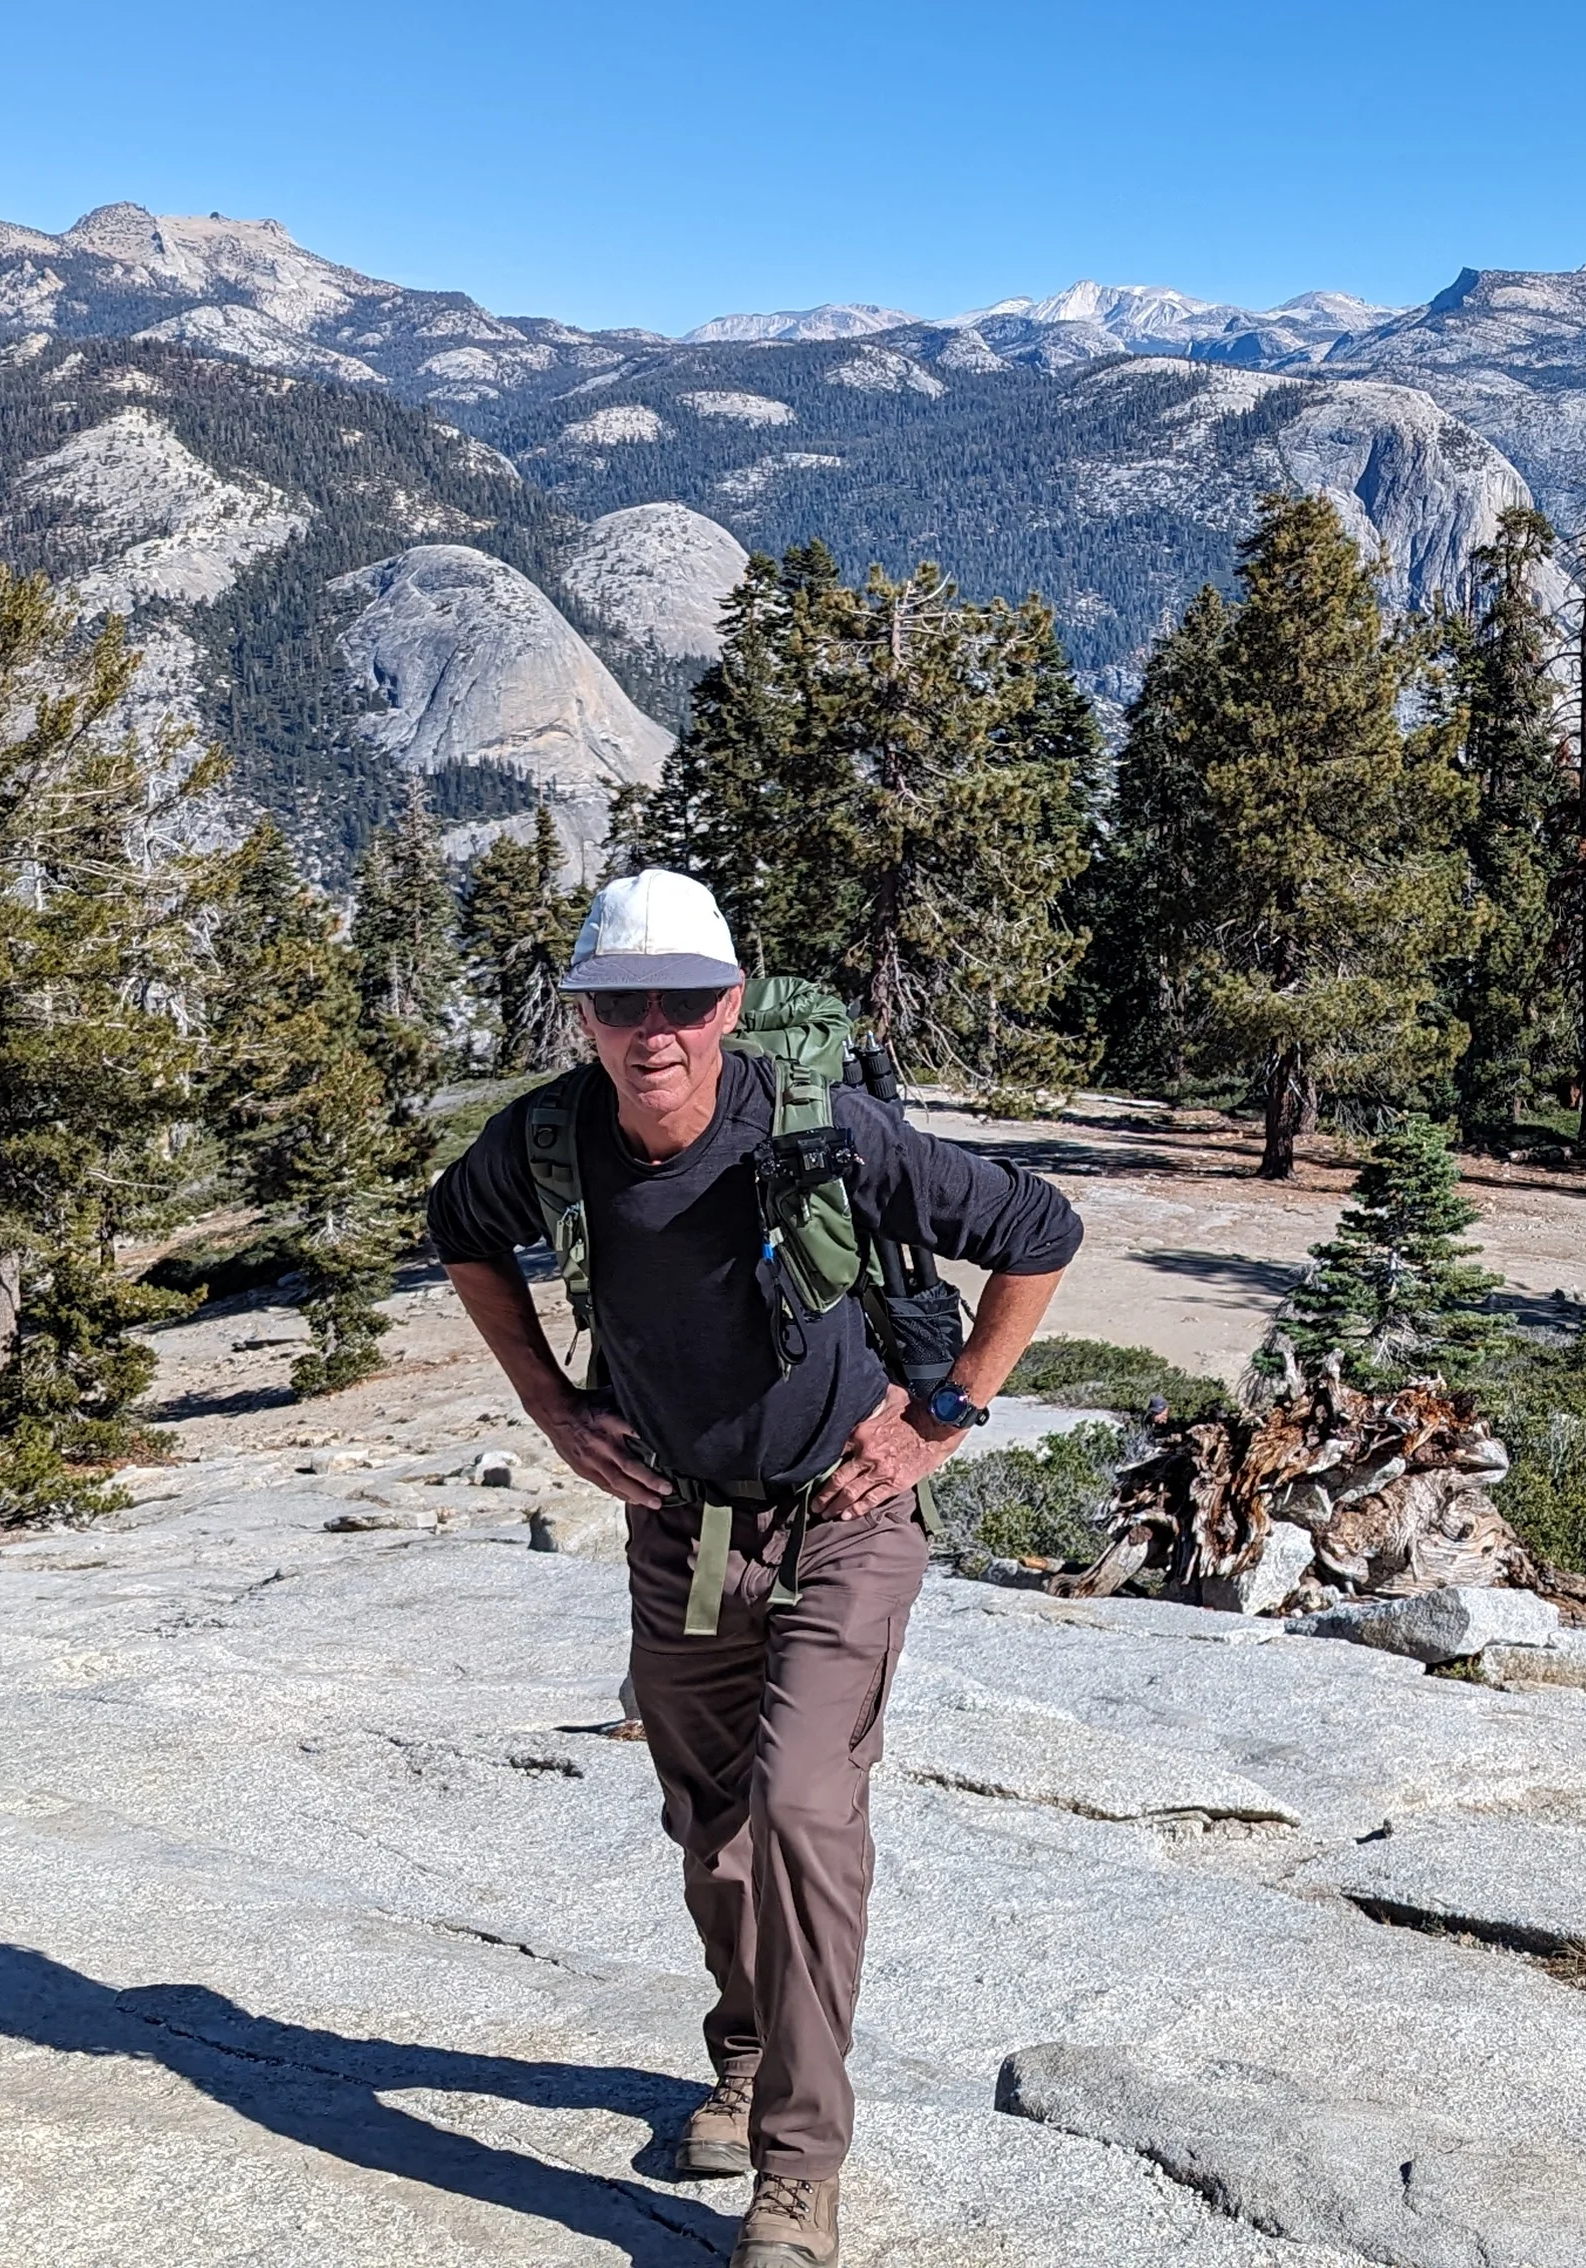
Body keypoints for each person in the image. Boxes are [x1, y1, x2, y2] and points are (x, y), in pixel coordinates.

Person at [430, 868, 1079, 2268]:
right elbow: (460, 1232)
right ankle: (741, 2058)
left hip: (842, 1519)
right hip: (679, 1530)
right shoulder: (545, 1141)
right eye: (618, 1003)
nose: (649, 1030)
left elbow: (1040, 1233)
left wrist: (940, 1420)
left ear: (730, 1006)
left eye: (680, 999)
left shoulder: (817, 1125)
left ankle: (799, 2168)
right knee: (709, 1833)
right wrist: (549, 1404)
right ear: (584, 1016)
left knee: (797, 1807)